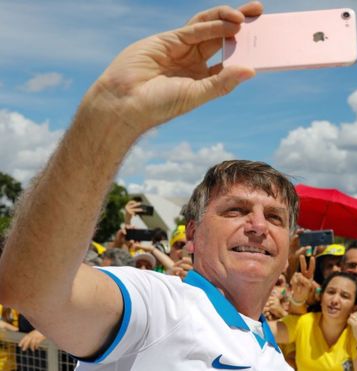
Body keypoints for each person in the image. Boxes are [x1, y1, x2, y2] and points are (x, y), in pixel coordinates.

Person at [0, 2, 298, 370]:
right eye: (235, 210)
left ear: (289, 248)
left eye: (274, 217)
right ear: (192, 235)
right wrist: (110, 114)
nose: (257, 227)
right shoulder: (162, 305)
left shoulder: (271, 352)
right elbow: (35, 286)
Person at [269, 272, 357, 371]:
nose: (334, 300)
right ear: (320, 298)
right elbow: (262, 331)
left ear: (355, 308)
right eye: (331, 292)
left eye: (344, 296)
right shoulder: (304, 322)